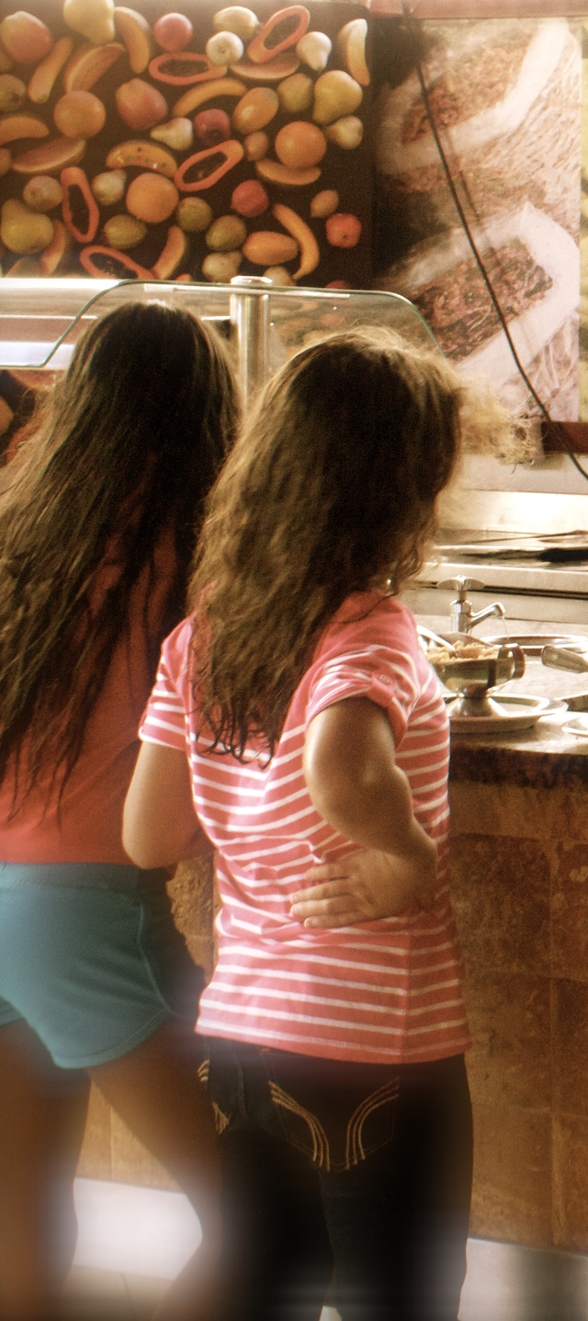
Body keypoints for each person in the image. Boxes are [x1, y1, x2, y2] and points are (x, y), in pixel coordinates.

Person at [124, 331, 474, 1321]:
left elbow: (150, 833)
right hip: (374, 1043)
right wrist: (403, 851)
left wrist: (245, 807)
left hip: (243, 1035)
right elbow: (341, 761)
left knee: (271, 1285)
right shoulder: (370, 627)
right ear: (407, 490)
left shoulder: (202, 635)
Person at [0, 303, 238, 1321]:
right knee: (269, 1217)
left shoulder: (21, 530)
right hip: (83, 916)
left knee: (20, 1207)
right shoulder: (192, 555)